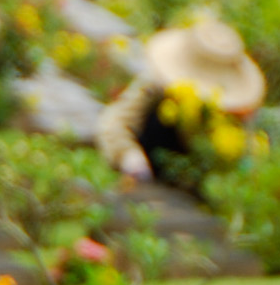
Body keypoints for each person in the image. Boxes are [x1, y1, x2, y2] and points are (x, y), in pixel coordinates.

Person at [95, 14, 266, 180]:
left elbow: (248, 160)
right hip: (150, 168)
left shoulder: (238, 111)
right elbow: (115, 121)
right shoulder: (155, 85)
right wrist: (128, 155)